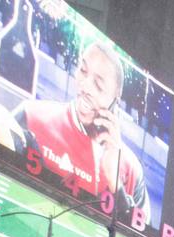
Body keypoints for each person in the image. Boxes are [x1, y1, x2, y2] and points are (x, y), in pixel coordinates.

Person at [11, 41, 152, 224]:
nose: (85, 87)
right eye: (83, 71)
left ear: (115, 99)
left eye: (99, 86)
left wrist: (116, 185)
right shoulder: (32, 116)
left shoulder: (131, 169)